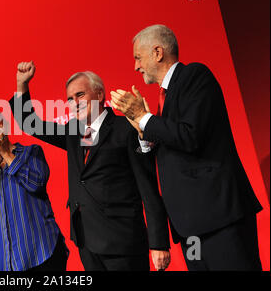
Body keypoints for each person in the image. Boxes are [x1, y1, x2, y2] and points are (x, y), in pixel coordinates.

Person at [111, 24, 263, 271]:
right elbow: (171, 149)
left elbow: (190, 136)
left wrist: (144, 117)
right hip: (190, 227)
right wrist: (143, 132)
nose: (135, 66)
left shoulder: (194, 76)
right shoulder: (165, 98)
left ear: (158, 52)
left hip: (220, 218)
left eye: (138, 58)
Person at [9, 62, 170, 271]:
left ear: (100, 95)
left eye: (80, 95)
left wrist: (158, 243)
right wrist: (22, 85)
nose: (74, 102)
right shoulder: (73, 132)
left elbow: (148, 187)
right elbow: (31, 124)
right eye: (69, 99)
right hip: (87, 243)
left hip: (123, 244)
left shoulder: (126, 129)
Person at [0, 109, 68, 271]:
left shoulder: (31, 152)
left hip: (41, 254)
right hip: (0, 262)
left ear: (4, 125)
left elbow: (36, 184)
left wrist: (7, 154)